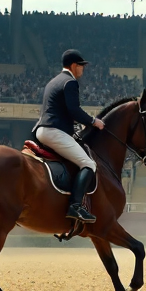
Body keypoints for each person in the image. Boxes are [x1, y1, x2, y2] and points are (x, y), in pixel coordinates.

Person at [33, 49, 105, 224]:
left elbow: (62, 111)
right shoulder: (70, 82)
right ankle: (75, 206)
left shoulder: (53, 81)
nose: (83, 69)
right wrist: (93, 121)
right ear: (74, 66)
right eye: (82, 66)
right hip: (54, 131)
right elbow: (74, 110)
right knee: (88, 163)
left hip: (42, 130)